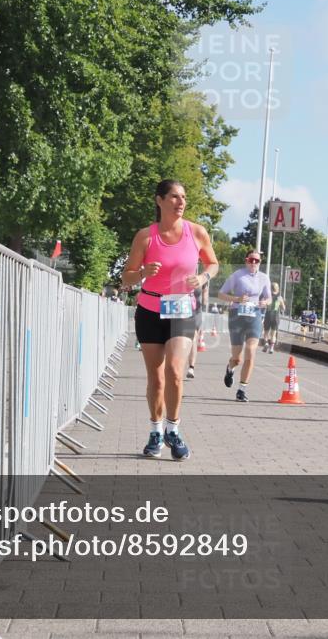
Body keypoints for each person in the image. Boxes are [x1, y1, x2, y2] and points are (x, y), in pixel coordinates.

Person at [122, 180, 218, 459]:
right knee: (156, 377)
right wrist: (142, 273)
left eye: (183, 197)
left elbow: (213, 263)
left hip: (181, 308)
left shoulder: (197, 233)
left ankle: (173, 430)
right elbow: (127, 276)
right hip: (150, 309)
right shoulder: (145, 236)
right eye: (174, 197)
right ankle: (155, 431)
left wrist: (203, 277)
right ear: (159, 200)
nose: (181, 202)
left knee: (175, 372)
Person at [218, 250, 271, 402]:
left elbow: (269, 298)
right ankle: (230, 368)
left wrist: (265, 302)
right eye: (251, 260)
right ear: (246, 260)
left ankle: (242, 389)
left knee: (251, 351)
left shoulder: (264, 278)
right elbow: (221, 294)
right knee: (237, 358)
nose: (253, 263)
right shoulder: (237, 275)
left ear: (260, 262)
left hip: (254, 315)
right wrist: (237, 298)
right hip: (237, 316)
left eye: (257, 261)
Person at [186, 278, 210, 379]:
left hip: (195, 311)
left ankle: (191, 367)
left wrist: (205, 300)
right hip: (179, 309)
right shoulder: (179, 273)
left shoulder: (203, 278)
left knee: (193, 338)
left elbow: (205, 298)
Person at [262, 282, 285, 354]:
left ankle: (266, 343)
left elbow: (263, 305)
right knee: (273, 333)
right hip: (275, 316)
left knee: (266, 332)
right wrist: (280, 306)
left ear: (270, 288)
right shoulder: (280, 297)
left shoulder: (267, 297)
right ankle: (271, 348)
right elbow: (283, 308)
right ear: (277, 289)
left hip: (268, 315)